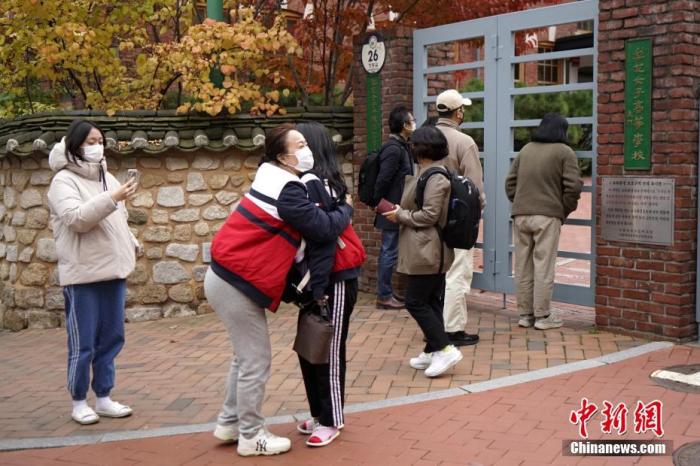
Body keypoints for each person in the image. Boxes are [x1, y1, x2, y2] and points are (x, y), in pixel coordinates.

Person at [205, 123, 353, 456]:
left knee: (244, 358)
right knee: (255, 360)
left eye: (306, 143)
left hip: (225, 276)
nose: (306, 150)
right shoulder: (288, 189)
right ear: (283, 157)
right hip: (235, 282)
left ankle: (229, 422)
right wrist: (346, 207)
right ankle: (251, 435)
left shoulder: (269, 174)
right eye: (299, 146)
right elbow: (323, 227)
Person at [47, 120, 140, 425]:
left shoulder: (107, 177)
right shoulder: (62, 181)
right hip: (83, 274)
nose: (97, 146)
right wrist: (113, 198)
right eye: (90, 142)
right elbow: (76, 219)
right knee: (83, 341)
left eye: (100, 141)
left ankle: (103, 396)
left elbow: (118, 220)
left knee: (112, 338)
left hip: (113, 271)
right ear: (75, 145)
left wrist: (130, 241)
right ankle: (78, 401)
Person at [294, 121, 365, 447]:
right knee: (311, 346)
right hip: (319, 280)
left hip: (334, 279)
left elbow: (324, 232)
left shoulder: (322, 185)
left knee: (330, 350)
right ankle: (320, 413)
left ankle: (332, 419)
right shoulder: (309, 183)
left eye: (299, 143)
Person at [383, 126, 463, 378]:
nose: (411, 147)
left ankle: (445, 349)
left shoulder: (436, 177)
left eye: (413, 144)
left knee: (415, 301)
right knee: (430, 301)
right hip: (427, 247)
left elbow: (429, 215)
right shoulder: (428, 173)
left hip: (428, 249)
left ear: (422, 148)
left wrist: (400, 215)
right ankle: (432, 350)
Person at [505, 113, 582, 330]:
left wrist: (519, 201)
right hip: (547, 216)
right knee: (543, 266)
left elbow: (510, 183)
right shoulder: (565, 152)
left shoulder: (526, 149)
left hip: (521, 215)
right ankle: (542, 316)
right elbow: (573, 187)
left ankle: (525, 315)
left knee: (523, 266)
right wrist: (563, 210)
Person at [435, 89, 484, 347]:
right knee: (458, 272)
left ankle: (433, 326)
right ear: (458, 112)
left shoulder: (425, 138)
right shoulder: (464, 142)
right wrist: (478, 210)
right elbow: (474, 186)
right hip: (458, 216)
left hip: (429, 215)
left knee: (435, 273)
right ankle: (452, 328)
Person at [373, 105, 415, 310]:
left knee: (391, 251)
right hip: (390, 207)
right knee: (388, 251)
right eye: (412, 121)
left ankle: (388, 292)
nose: (414, 124)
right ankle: (384, 296)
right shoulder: (393, 149)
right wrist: (379, 204)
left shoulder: (402, 146)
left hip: (397, 207)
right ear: (404, 125)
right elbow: (383, 179)